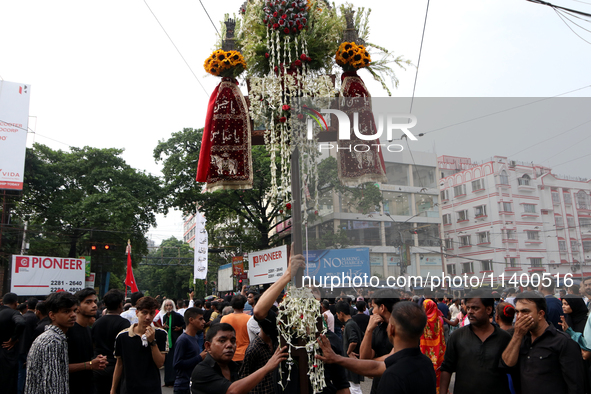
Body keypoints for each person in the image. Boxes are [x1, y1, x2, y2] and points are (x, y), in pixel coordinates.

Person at [316, 301, 436, 394]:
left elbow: (378, 367)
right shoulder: (426, 363)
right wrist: (336, 358)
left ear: (392, 329)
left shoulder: (392, 376)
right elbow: (375, 366)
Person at [501, 291, 585, 393]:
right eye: (517, 312)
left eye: (525, 312)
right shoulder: (519, 339)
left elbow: (576, 385)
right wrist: (517, 336)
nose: (519, 317)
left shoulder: (563, 342)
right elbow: (506, 365)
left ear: (540, 314)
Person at [440, 290, 513, 394]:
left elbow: (514, 372)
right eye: (468, 308)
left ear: (488, 309)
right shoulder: (457, 337)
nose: (470, 311)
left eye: (475, 308)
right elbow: (447, 368)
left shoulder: (504, 338)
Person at [190, 323, 288, 394]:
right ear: (208, 346)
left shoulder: (234, 367)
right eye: (222, 341)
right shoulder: (201, 370)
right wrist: (267, 368)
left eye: (233, 341)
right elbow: (232, 391)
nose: (229, 345)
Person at [111, 296, 168, 394]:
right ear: (137, 313)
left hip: (152, 388)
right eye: (144, 312)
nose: (148, 317)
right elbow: (119, 364)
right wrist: (113, 389)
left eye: (151, 313)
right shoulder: (123, 336)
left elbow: (160, 363)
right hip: (129, 388)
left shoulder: (161, 334)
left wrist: (152, 342)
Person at [25, 291, 78, 394]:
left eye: (74, 310)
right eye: (66, 311)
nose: (73, 315)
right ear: (52, 315)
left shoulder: (54, 337)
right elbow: (53, 385)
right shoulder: (52, 341)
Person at [359, 288, 400, 394]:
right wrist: (368, 330)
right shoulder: (377, 328)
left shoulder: (402, 327)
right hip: (379, 386)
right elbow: (364, 358)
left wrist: (371, 363)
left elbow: (397, 357)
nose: (372, 311)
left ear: (382, 308)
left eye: (373, 307)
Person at [68, 288, 108, 394]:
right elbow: (60, 366)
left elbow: (85, 359)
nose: (94, 305)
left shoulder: (87, 329)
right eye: (88, 302)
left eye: (95, 301)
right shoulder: (69, 331)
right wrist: (90, 364)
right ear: (77, 307)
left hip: (88, 385)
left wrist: (97, 361)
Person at [91, 289, 130, 394]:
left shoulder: (96, 323)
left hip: (98, 366)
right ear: (120, 304)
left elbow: (93, 343)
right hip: (117, 367)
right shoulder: (124, 324)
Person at [173, 307, 207, 394]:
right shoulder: (183, 339)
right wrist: (199, 357)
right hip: (183, 385)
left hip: (192, 382)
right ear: (191, 320)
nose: (204, 322)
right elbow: (177, 364)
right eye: (200, 319)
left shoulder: (194, 337)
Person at [154, 299, 185, 388]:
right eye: (167, 305)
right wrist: (163, 327)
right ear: (164, 307)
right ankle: (167, 381)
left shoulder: (177, 315)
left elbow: (184, 324)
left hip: (175, 340)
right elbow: (164, 326)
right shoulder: (164, 317)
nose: (169, 307)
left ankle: (174, 381)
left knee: (174, 360)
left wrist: (179, 328)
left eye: (170, 305)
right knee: (167, 362)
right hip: (167, 341)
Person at [335, 301, 364, 394]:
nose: (337, 317)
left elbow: (354, 341)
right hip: (353, 361)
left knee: (354, 388)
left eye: (337, 314)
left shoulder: (350, 325)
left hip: (351, 361)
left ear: (341, 313)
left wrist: (348, 352)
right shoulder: (351, 324)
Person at [1, 292, 26, 394]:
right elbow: (21, 323)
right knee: (8, 382)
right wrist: (14, 339)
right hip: (7, 352)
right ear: (16, 303)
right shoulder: (13, 313)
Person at [420, 299, 446, 393]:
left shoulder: (422, 321)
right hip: (437, 350)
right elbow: (442, 336)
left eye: (424, 307)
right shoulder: (439, 320)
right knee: (437, 372)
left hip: (425, 350)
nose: (422, 309)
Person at [220, 295, 251, 367]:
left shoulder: (224, 319)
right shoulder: (249, 319)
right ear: (244, 306)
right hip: (245, 354)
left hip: (229, 353)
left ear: (232, 306)